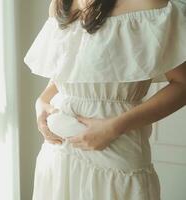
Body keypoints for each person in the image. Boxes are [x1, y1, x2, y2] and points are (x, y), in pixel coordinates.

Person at [24, 0, 186, 199]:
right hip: (58, 155)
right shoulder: (60, 5)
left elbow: (183, 84)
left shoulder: (148, 5)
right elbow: (71, 72)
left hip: (115, 153)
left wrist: (114, 127)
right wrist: (41, 102)